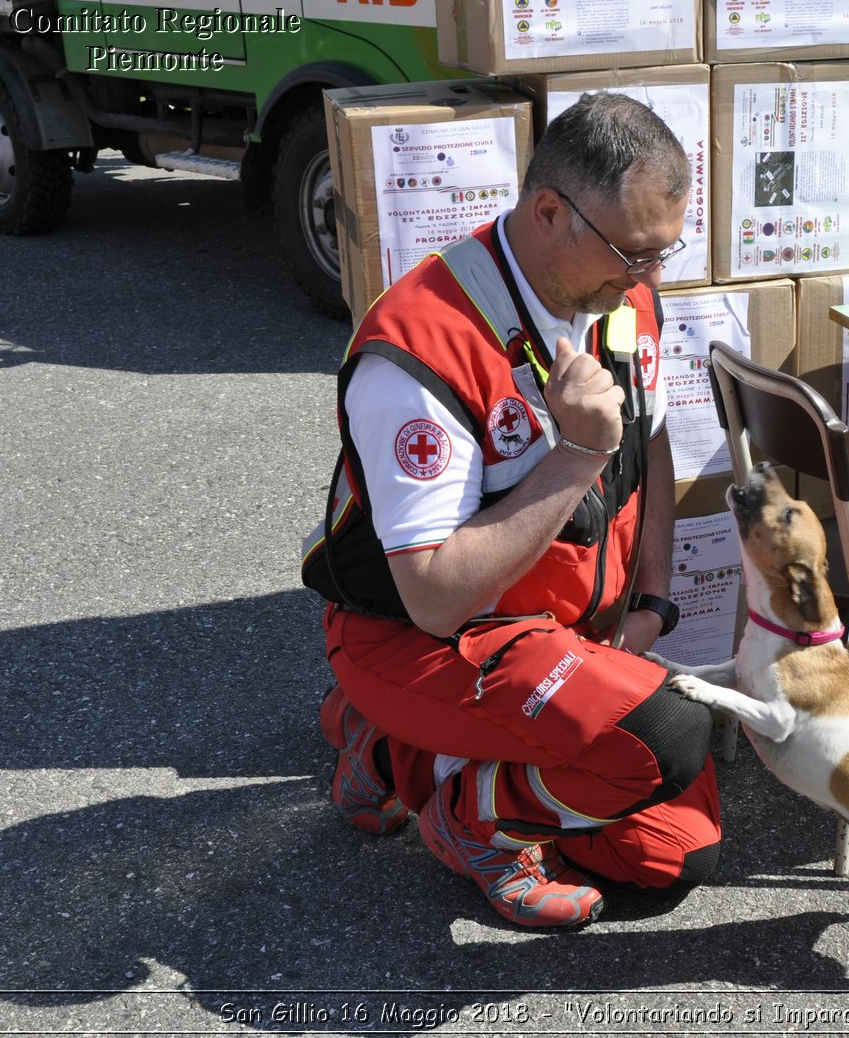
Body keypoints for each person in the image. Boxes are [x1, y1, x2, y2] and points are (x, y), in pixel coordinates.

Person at [304, 93, 720, 929]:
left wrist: (654, 599)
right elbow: (431, 596)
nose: (651, 279)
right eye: (635, 254)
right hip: (423, 638)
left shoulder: (617, 294)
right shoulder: (422, 348)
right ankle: (468, 815)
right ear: (548, 212)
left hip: (553, 637)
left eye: (664, 251)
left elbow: (659, 443)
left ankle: (389, 752)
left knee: (675, 846)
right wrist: (577, 454)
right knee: (665, 739)